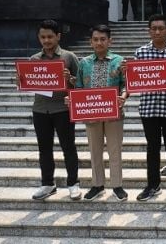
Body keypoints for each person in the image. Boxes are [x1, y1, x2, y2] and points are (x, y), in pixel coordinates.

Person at [19, 19, 80, 200]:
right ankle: (47, 184)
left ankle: (73, 183)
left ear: (58, 37)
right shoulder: (33, 59)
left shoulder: (69, 57)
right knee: (44, 148)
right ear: (39, 38)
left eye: (50, 37)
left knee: (68, 147)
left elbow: (81, 84)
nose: (47, 41)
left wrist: (70, 79)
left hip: (63, 109)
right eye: (43, 37)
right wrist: (21, 80)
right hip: (40, 110)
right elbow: (29, 84)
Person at [132, 14, 166, 201]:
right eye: (153, 28)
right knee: (152, 148)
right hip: (148, 108)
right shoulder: (140, 53)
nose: (157, 31)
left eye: (161, 28)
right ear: (149, 31)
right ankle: (152, 184)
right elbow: (135, 80)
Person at [73, 25, 129, 201]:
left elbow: (126, 84)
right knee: (94, 150)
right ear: (91, 42)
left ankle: (117, 185)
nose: (99, 42)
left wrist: (124, 96)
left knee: (114, 150)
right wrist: (74, 100)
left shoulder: (120, 61)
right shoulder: (84, 63)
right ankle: (97, 185)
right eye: (95, 39)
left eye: (102, 39)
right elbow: (79, 87)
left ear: (109, 41)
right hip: (91, 114)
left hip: (114, 113)